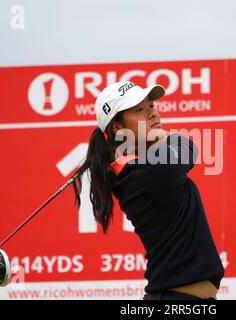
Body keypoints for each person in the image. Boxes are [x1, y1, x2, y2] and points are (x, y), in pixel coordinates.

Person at [72, 81, 224, 300]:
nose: (152, 113)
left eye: (151, 105)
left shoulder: (140, 167)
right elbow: (187, 147)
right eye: (140, 110)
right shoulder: (139, 173)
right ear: (117, 128)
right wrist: (166, 137)